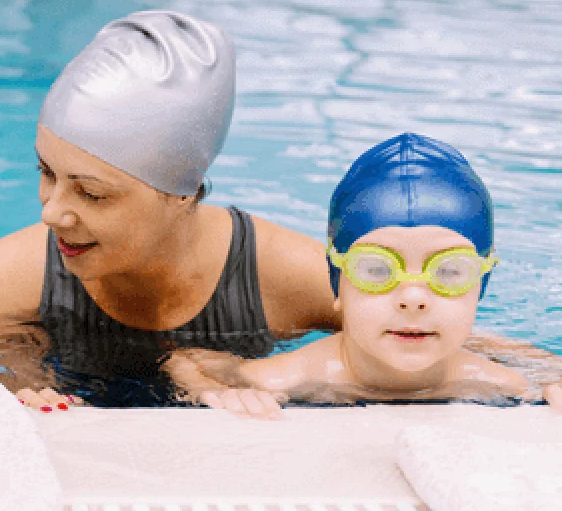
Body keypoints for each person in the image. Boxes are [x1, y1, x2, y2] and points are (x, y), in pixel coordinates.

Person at [0, 10, 340, 409]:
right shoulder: (7, 279)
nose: (52, 214)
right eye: (47, 172)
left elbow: (407, 353)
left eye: (91, 193)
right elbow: (12, 397)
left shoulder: (288, 275)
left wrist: (260, 375)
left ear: (182, 192)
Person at [165, 133, 561, 418]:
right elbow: (186, 359)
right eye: (377, 269)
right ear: (338, 283)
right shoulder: (292, 376)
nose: (413, 298)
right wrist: (213, 392)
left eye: (449, 271)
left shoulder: (503, 383)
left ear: (481, 287)